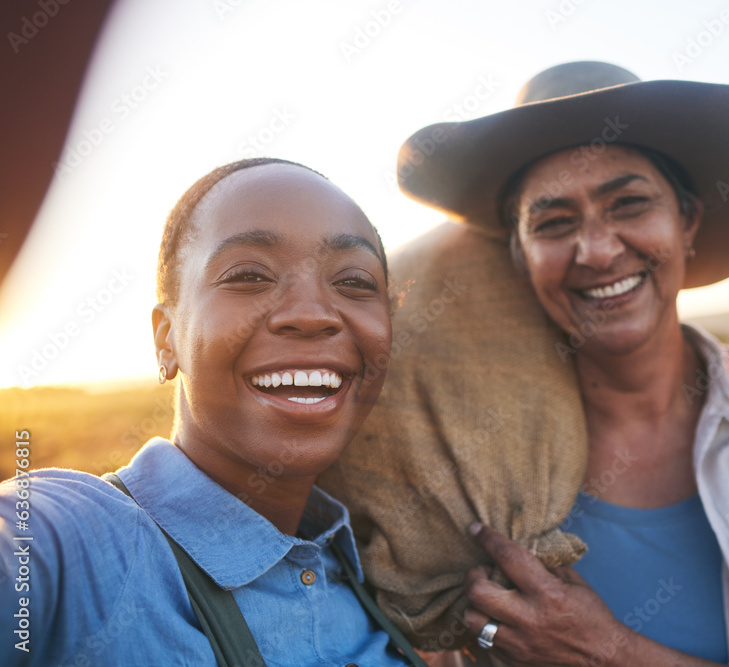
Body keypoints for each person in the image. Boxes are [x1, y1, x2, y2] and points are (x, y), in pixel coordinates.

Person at [345, 62, 729, 665]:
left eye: (630, 204)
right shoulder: (468, 460)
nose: (597, 250)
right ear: (519, 254)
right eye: (554, 222)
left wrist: (613, 653)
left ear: (688, 220)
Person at [0, 157, 424, 666]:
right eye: (248, 275)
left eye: (354, 282)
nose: (311, 314)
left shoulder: (384, 571)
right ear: (166, 339)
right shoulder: (78, 542)